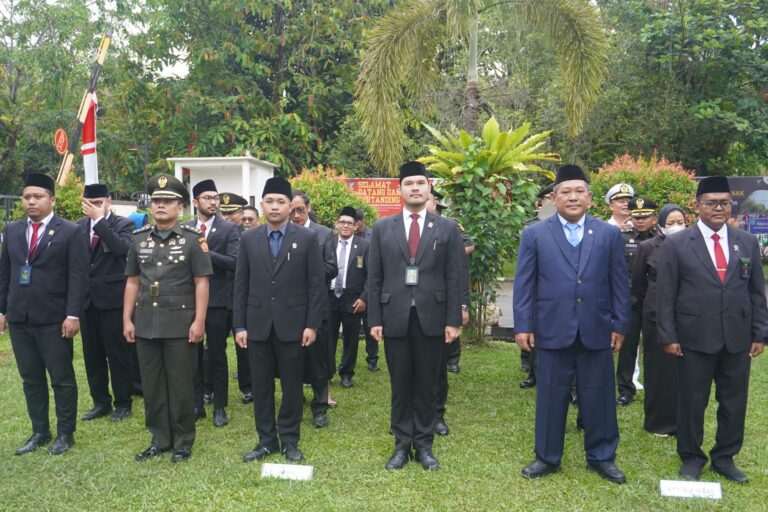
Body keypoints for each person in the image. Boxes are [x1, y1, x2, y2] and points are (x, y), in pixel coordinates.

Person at [513, 164, 629, 484]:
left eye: (579, 191)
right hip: (552, 327)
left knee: (600, 395)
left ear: (590, 198)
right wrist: (523, 326)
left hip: (596, 327)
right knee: (551, 395)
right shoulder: (535, 234)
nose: (573, 197)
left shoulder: (608, 234)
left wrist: (620, 325)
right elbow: (524, 284)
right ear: (554, 198)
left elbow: (619, 283)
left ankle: (602, 456)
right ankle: (547, 457)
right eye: (566, 192)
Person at [657, 176, 768, 483]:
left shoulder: (746, 241)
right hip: (693, 337)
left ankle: (725, 457)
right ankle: (692, 457)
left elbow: (757, 291)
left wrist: (760, 333)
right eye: (711, 203)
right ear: (697, 206)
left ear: (731, 205)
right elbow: (665, 294)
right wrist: (668, 335)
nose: (719, 208)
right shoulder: (678, 243)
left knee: (734, 402)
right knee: (692, 402)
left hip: (737, 337)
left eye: (724, 202)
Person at [368, 161, 464, 471]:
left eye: (420, 183)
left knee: (427, 384)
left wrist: (453, 320)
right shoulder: (382, 228)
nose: (415, 188)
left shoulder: (446, 228)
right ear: (400, 190)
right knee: (400, 384)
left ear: (428, 188)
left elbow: (455, 276)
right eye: (408, 183)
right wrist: (375, 319)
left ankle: (424, 445)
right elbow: (374, 277)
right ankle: (401, 444)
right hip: (394, 315)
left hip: (432, 317)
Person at [234, 177, 325, 463]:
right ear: (261, 205)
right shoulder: (248, 238)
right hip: (257, 325)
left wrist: (312, 324)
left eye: (281, 202)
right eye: (270, 201)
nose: (275, 207)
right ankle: (266, 440)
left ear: (290, 206)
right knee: (261, 386)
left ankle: (289, 439)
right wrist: (240, 325)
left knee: (292, 386)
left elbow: (316, 285)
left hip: (294, 325)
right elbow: (241, 284)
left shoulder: (307, 238)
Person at [123, 174, 212, 463]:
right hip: (146, 322)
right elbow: (132, 281)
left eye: (167, 201)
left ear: (180, 207)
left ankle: (183, 441)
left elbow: (201, 282)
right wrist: (127, 319)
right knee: (152, 385)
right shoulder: (139, 239)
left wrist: (199, 321)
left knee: (181, 383)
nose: (160, 205)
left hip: (180, 324)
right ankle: (159, 439)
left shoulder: (192, 240)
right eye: (156, 201)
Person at [0, 173, 89, 455]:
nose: (31, 202)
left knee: (61, 378)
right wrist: (2, 310)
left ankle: (65, 433)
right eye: (27, 197)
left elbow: (78, 277)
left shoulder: (70, 231)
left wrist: (73, 314)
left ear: (52, 200)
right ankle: (40, 431)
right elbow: (5, 273)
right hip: (20, 318)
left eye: (37, 197)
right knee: (31, 379)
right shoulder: (12, 230)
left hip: (54, 319)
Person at [78, 183, 136, 422]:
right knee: (92, 355)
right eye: (89, 203)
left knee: (117, 354)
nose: (94, 207)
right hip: (87, 301)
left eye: (99, 203)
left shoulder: (123, 224)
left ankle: (123, 402)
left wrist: (100, 220)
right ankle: (100, 401)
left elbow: (122, 249)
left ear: (109, 201)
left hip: (113, 299)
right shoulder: (79, 227)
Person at [186, 179, 240, 427]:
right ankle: (197, 403)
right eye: (207, 198)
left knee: (217, 354)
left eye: (215, 198)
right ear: (195, 201)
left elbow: (234, 262)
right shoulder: (186, 228)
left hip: (217, 300)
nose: (213, 202)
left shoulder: (228, 229)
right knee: (193, 354)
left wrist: (208, 252)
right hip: (190, 300)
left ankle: (220, 406)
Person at [631, 204, 686, 436]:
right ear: (661, 224)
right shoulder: (647, 247)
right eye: (671, 222)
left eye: (680, 222)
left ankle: (683, 421)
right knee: (658, 371)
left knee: (683, 373)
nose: (676, 227)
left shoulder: (692, 245)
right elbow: (638, 285)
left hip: (686, 317)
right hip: (655, 317)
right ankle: (658, 423)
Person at [290, 189, 338, 426]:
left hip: (317, 304)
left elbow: (332, 268)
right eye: (292, 211)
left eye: (300, 210)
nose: (296, 215)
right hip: (290, 306)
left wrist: (307, 267)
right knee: (292, 358)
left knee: (318, 358)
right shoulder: (282, 232)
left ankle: (320, 407)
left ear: (308, 208)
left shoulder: (323, 234)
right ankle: (294, 400)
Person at [426, 186, 470, 437]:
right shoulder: (400, 227)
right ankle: (407, 416)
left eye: (429, 198)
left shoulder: (448, 228)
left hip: (439, 310)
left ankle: (437, 415)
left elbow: (459, 272)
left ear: (433, 202)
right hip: (408, 309)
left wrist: (461, 306)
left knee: (438, 369)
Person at [616, 196, 658, 406]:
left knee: (655, 349)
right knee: (627, 348)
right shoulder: (622, 238)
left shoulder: (662, 239)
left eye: (645, 217)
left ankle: (655, 389)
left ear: (654, 218)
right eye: (636, 217)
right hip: (630, 301)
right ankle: (625, 389)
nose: (640, 221)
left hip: (654, 302)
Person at [328, 206, 369, 389]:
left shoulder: (365, 246)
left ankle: (346, 373)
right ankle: (327, 372)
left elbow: (371, 275)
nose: (345, 226)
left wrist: (364, 298)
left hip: (353, 299)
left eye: (350, 223)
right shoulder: (327, 243)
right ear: (336, 224)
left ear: (356, 226)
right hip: (329, 297)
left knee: (351, 338)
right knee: (327, 337)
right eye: (342, 222)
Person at [520, 183, 555, 387]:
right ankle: (533, 372)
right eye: (549, 198)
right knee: (534, 328)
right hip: (536, 285)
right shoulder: (533, 226)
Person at [356, 208, 379, 371]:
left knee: (370, 325)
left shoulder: (373, 235)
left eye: (359, 221)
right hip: (353, 287)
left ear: (363, 221)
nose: (356, 225)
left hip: (370, 286)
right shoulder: (347, 235)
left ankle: (372, 359)